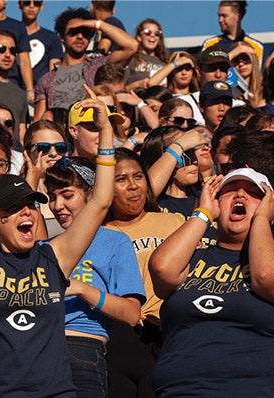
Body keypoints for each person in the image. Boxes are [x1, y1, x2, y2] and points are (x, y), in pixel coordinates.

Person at [0, 89, 117, 397]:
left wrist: (107, 132)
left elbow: (100, 201)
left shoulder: (55, 257)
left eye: (31, 204)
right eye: (13, 207)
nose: (27, 213)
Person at [149, 168, 274, 396]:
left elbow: (267, 276)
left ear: (269, 208)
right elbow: (162, 269)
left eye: (254, 193)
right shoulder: (192, 258)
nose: (240, 195)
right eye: (230, 190)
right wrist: (203, 213)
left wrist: (262, 218)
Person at [43, 156, 144, 398]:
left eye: (67, 196)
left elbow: (131, 313)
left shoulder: (114, 241)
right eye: (52, 198)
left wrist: (82, 289)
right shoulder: (43, 246)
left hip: (82, 349)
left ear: (90, 195)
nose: (57, 206)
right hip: (36, 348)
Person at [101, 147, 184, 398]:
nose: (133, 186)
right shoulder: (99, 233)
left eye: (138, 177)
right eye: (121, 179)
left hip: (168, 336)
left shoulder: (174, 222)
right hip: (121, 340)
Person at [33, 7, 137, 120]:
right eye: (73, 32)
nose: (80, 36)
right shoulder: (46, 80)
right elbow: (38, 120)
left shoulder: (99, 66)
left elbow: (131, 46)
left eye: (85, 33)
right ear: (62, 37)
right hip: (60, 134)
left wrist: (95, 24)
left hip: (93, 131)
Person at [199, 0, 263, 62]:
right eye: (219, 16)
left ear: (238, 17)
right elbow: (204, 69)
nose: (220, 20)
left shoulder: (256, 47)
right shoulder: (209, 44)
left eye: (224, 16)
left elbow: (259, 72)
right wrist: (232, 54)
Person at [18, 0, 63, 84]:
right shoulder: (10, 35)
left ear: (41, 7)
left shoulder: (51, 37)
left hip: (41, 91)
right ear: (19, 5)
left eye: (36, 3)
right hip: (13, 89)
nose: (31, 6)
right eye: (27, 2)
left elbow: (54, 71)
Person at [125, 19, 169, 90]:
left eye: (157, 33)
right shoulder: (130, 59)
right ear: (139, 37)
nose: (152, 35)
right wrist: (137, 84)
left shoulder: (165, 61)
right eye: (148, 32)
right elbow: (120, 90)